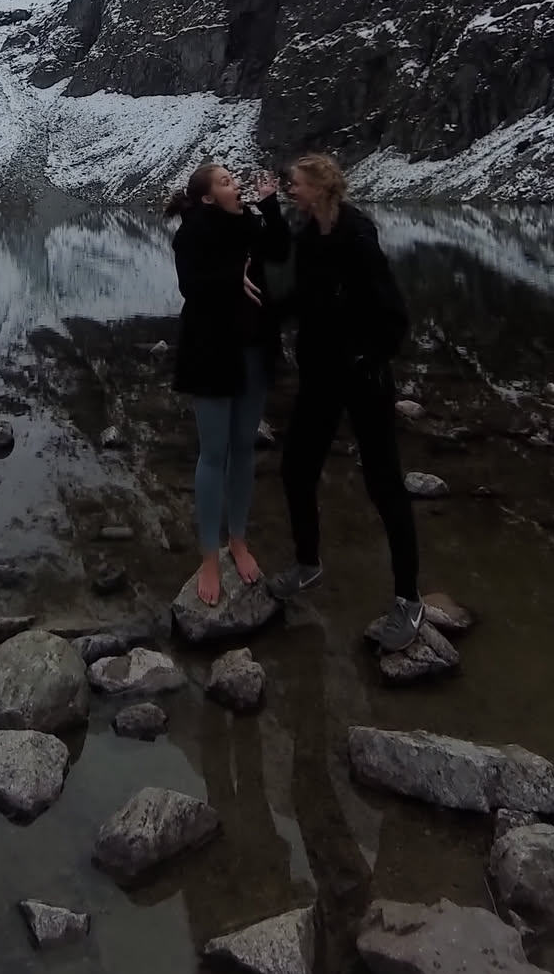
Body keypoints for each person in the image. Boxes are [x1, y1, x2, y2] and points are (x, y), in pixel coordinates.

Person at [267, 152, 425, 652]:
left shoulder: (357, 235)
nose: (289, 188)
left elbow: (393, 313)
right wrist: (260, 311)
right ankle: (308, 563)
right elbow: (304, 297)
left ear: (319, 186)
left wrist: (367, 357)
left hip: (363, 379)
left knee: (384, 483)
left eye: (295, 182)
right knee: (296, 468)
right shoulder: (308, 235)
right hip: (320, 376)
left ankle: (409, 599)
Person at [166, 161, 290, 606]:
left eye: (233, 180)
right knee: (214, 453)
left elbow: (280, 250)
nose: (235, 186)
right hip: (211, 355)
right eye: (225, 182)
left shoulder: (250, 223)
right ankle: (209, 556)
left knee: (243, 447)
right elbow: (190, 286)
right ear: (207, 197)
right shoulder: (192, 233)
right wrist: (232, 277)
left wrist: (270, 205)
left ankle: (237, 539)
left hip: (253, 349)